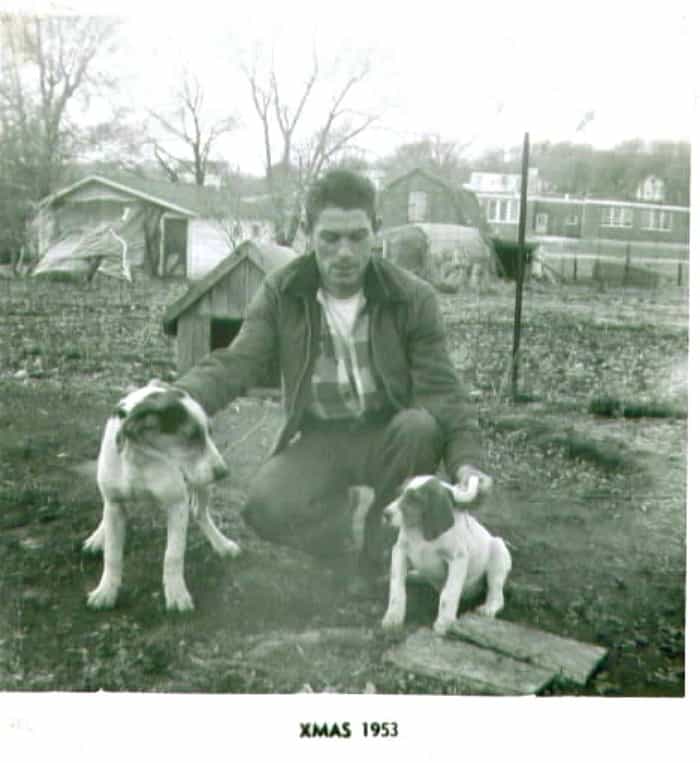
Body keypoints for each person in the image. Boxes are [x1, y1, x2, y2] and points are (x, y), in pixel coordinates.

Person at [175, 169, 490, 591]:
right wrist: (178, 398)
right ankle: (342, 537)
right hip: (320, 438)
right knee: (264, 508)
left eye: (358, 237)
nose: (344, 252)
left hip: (389, 436)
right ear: (308, 234)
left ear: (376, 231)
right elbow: (238, 361)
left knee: (420, 426)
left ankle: (382, 550)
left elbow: (442, 390)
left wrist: (466, 461)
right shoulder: (281, 291)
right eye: (330, 238)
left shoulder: (413, 297)